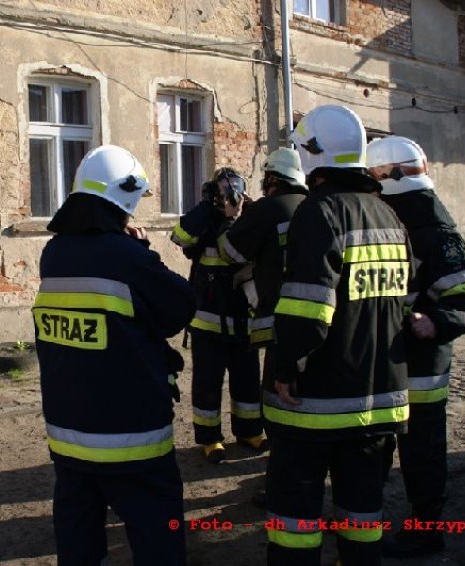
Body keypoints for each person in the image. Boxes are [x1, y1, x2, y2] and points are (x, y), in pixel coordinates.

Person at [33, 145, 195, 565]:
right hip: (131, 437)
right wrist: (144, 254)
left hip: (69, 435)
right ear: (122, 199)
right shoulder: (127, 257)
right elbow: (179, 306)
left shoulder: (53, 254)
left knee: (77, 533)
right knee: (158, 532)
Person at [263, 104, 412, 565]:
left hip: (316, 405)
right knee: (362, 516)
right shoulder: (390, 216)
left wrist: (285, 367)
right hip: (380, 397)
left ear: (313, 156)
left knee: (295, 522)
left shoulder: (320, 212)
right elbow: (402, 303)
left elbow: (309, 311)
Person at [367, 135, 465, 557]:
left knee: (421, 454)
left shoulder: (432, 223)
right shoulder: (395, 211)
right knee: (376, 445)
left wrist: (435, 321)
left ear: (387, 176)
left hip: (420, 369)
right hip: (387, 362)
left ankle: (424, 532)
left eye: (374, 176)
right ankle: (367, 522)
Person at [215, 148, 308, 506]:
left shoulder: (268, 210)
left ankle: (283, 488)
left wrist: (233, 218)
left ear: (271, 179)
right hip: (317, 322)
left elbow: (230, 252)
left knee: (278, 405)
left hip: (277, 323)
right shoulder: (313, 205)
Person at [171, 168, 267, 463]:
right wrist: (209, 206)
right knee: (207, 384)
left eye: (234, 190)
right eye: (224, 192)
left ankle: (250, 431)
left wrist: (243, 212)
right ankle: (210, 438)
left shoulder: (248, 218)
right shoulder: (204, 221)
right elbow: (180, 237)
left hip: (242, 317)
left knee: (248, 379)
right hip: (208, 319)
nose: (230, 198)